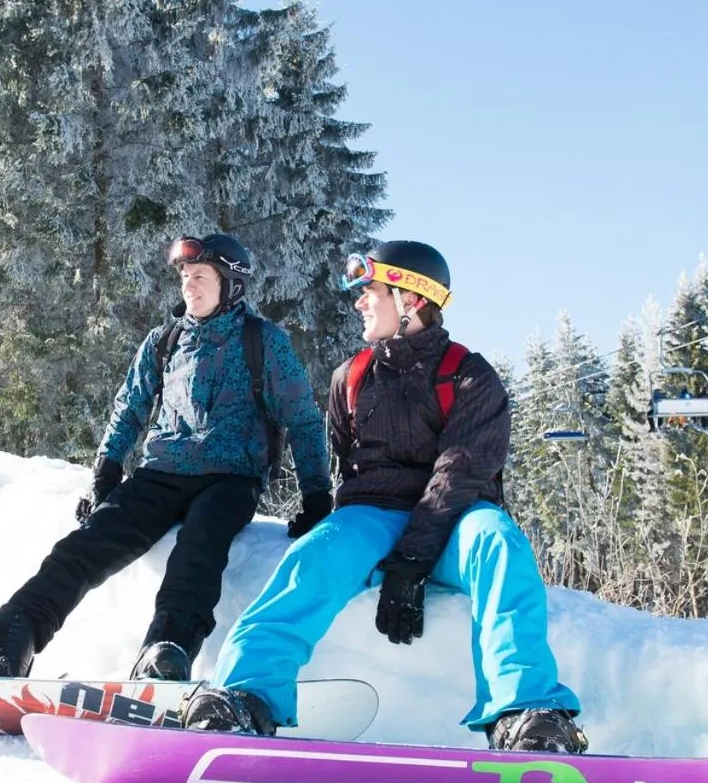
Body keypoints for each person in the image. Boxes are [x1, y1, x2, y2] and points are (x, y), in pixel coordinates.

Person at [180, 240, 589, 753]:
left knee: (500, 542)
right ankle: (244, 694)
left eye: (369, 290)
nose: (358, 302)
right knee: (315, 555)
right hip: (372, 515)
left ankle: (526, 711)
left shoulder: (470, 377)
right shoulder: (350, 379)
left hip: (457, 521)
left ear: (411, 300)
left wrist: (411, 561)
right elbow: (348, 463)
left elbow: (458, 475)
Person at [0, 233, 333, 682]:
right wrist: (106, 470)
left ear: (232, 286)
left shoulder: (264, 342)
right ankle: (10, 640)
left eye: (200, 276)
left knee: (196, 557)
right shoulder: (165, 340)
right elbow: (131, 406)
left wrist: (317, 493)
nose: (189, 285)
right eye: (185, 276)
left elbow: (302, 418)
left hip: (230, 478)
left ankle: (165, 653)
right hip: (159, 473)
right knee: (83, 548)